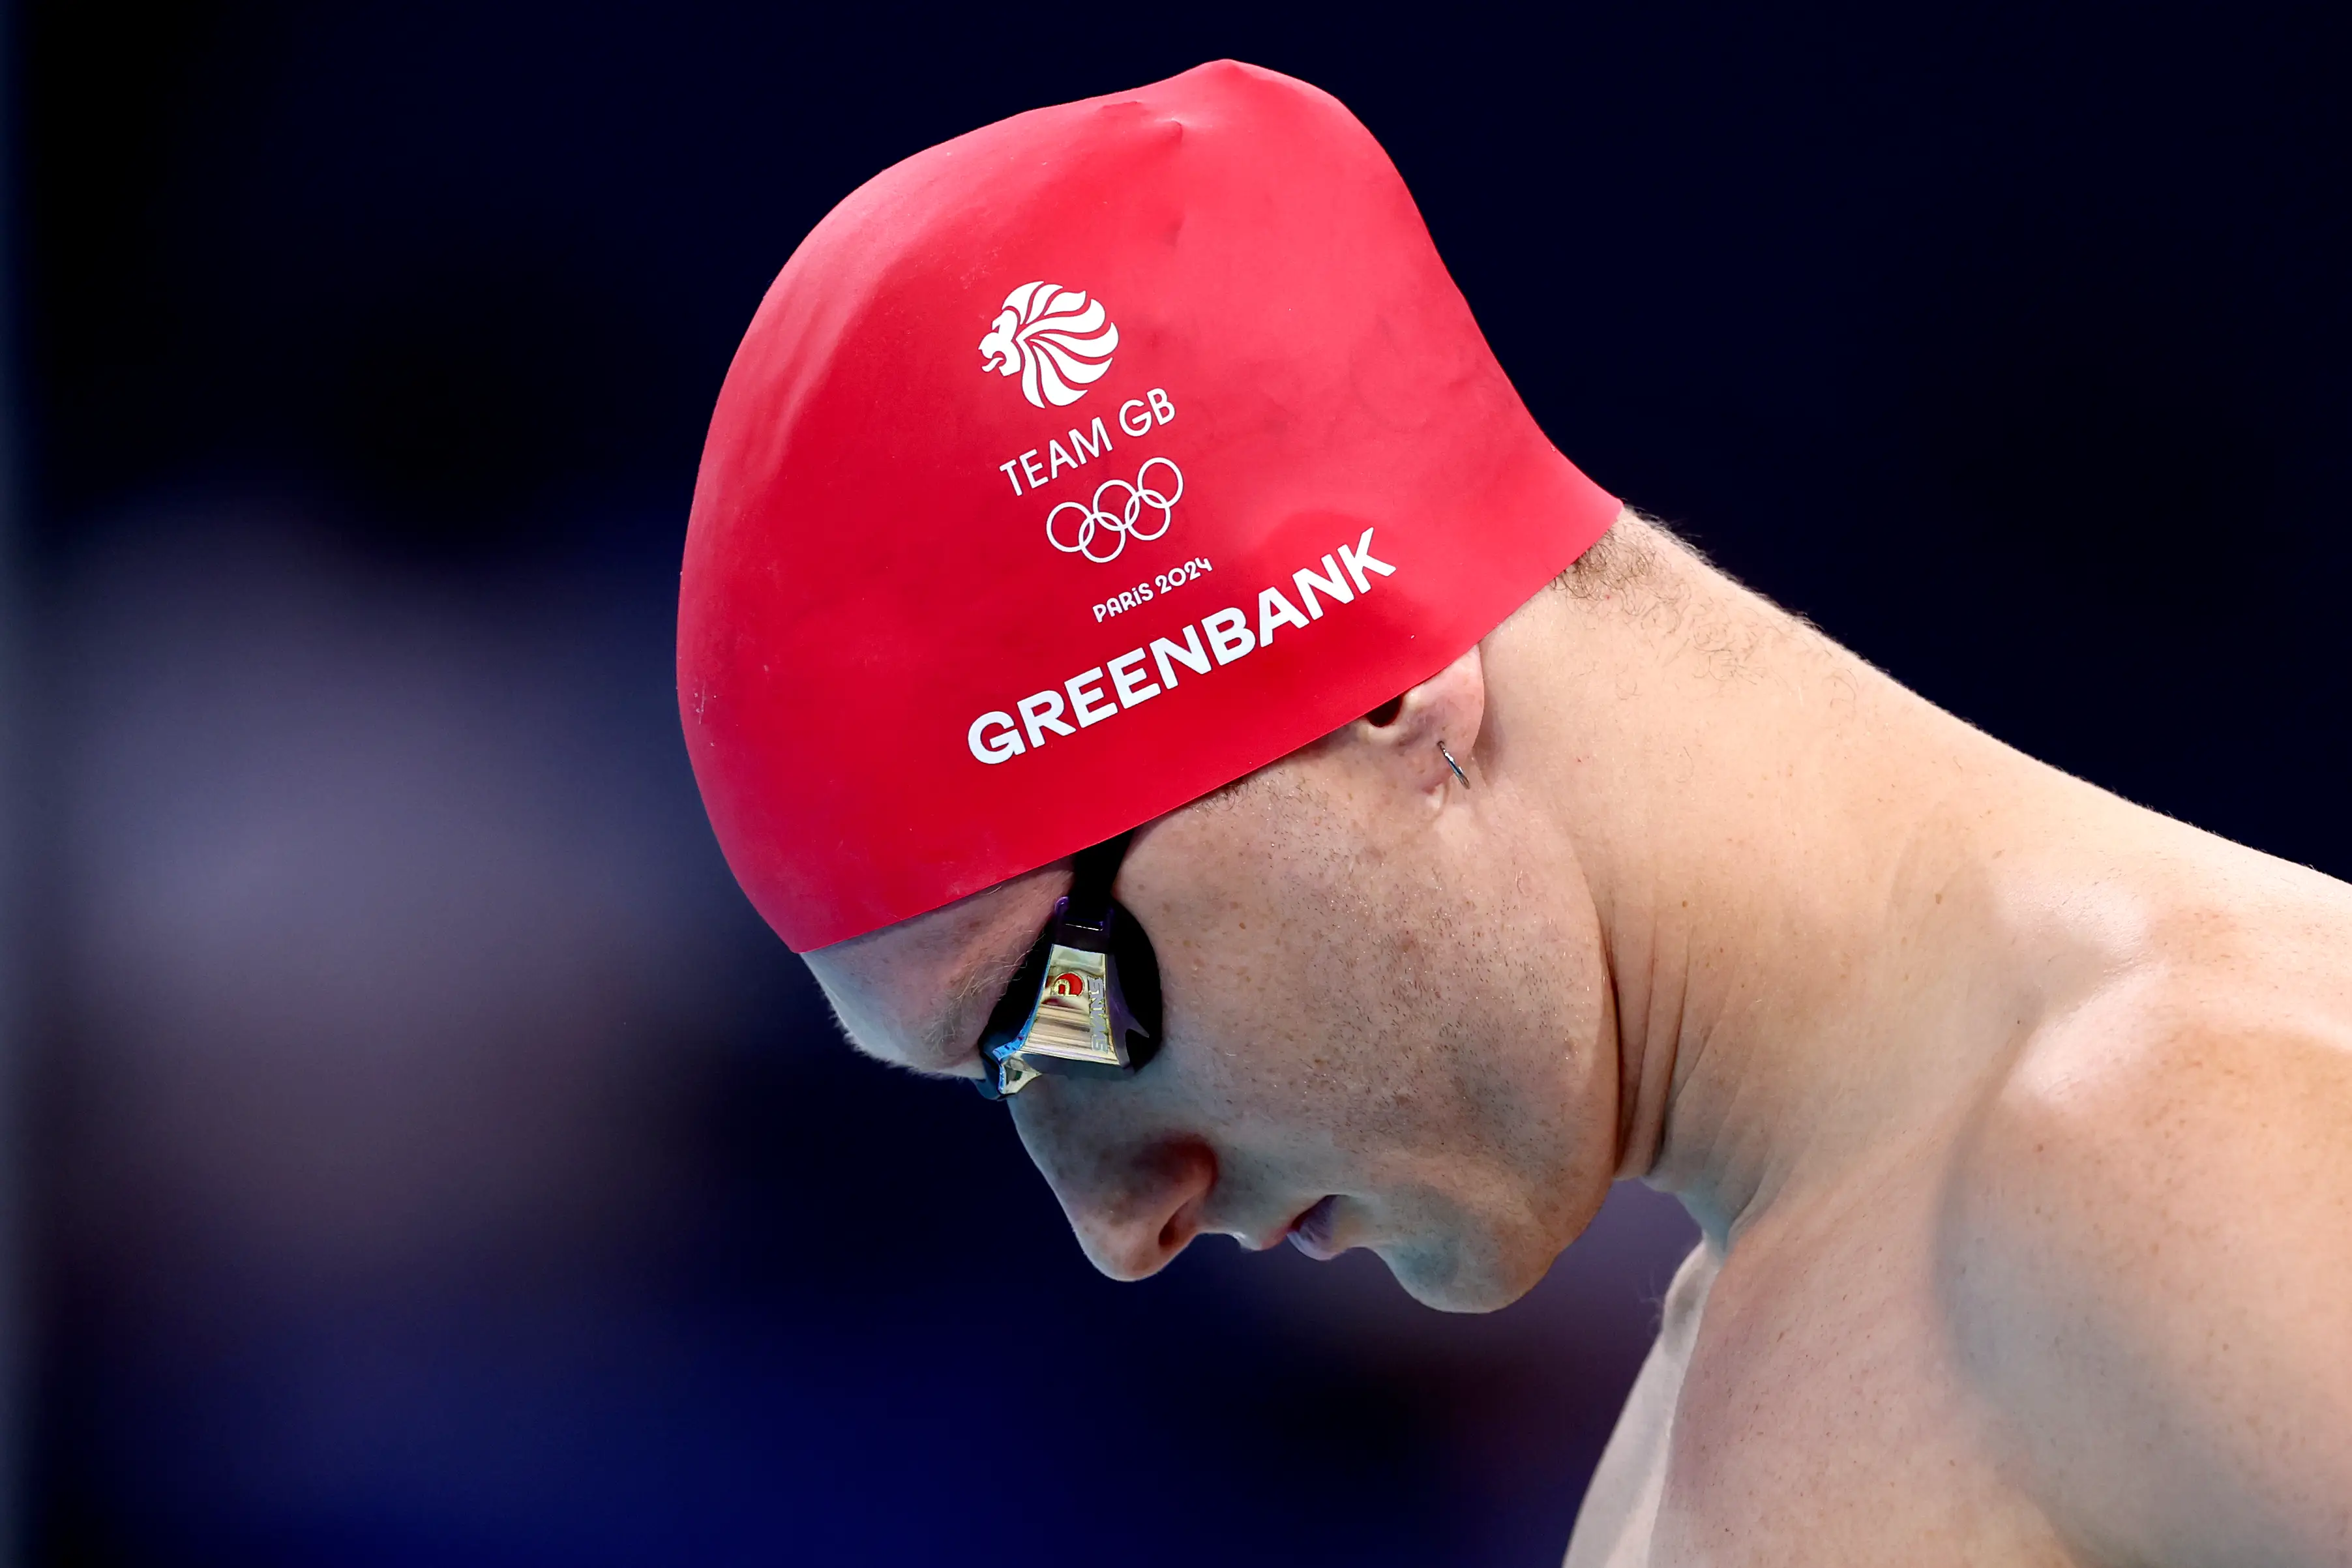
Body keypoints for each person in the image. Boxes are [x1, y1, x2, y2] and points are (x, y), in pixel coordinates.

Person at [677, 60, 2352, 1565]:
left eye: (1061, 1005)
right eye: (1003, 1080)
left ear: (1379, 688)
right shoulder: (1773, 1313)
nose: (1124, 1223)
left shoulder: (2183, 1146)